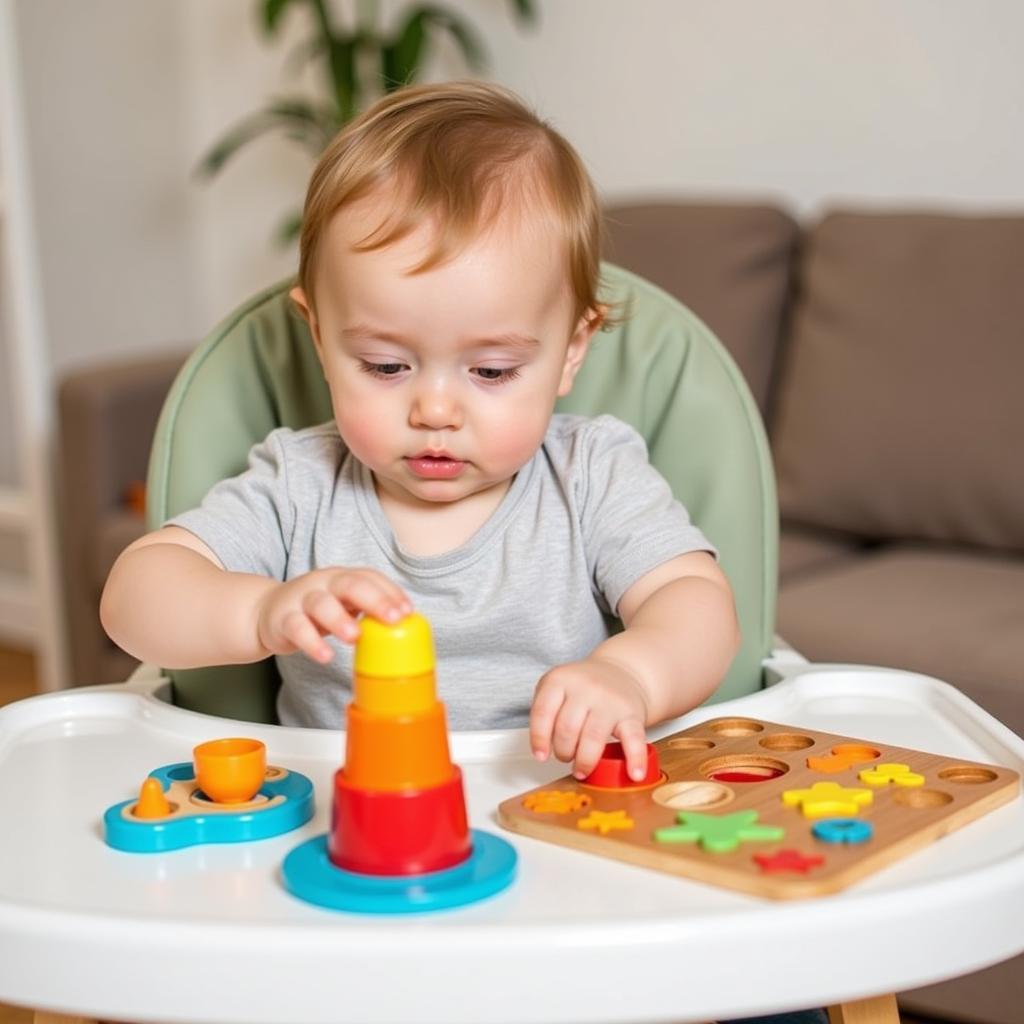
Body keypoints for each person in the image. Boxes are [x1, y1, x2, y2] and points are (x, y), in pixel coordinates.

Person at [100, 80, 739, 784]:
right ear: (318, 335)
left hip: (555, 812)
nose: (436, 410)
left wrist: (632, 675)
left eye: (492, 371)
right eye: (386, 364)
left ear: (572, 352)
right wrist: (260, 610)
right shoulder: (300, 484)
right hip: (342, 829)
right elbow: (135, 597)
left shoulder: (590, 475)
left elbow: (697, 605)